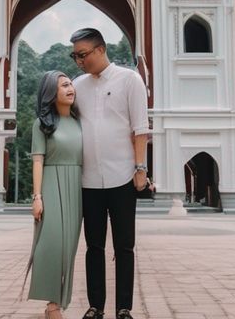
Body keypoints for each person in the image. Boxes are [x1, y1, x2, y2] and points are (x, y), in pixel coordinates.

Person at [69, 28, 151, 319]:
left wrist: (141, 169)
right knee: (93, 246)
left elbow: (140, 128)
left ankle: (124, 307)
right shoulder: (78, 85)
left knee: (124, 246)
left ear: (100, 49)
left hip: (122, 177)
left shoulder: (130, 79)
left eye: (83, 55)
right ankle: (96, 306)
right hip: (88, 180)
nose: (79, 61)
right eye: (75, 56)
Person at [26, 71, 84, 319]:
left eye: (70, 83)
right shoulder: (41, 124)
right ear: (52, 93)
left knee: (68, 249)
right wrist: (37, 197)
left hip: (76, 187)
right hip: (50, 185)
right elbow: (37, 161)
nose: (70, 88)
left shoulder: (79, 121)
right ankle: (52, 305)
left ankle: (58, 301)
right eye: (64, 85)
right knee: (51, 246)